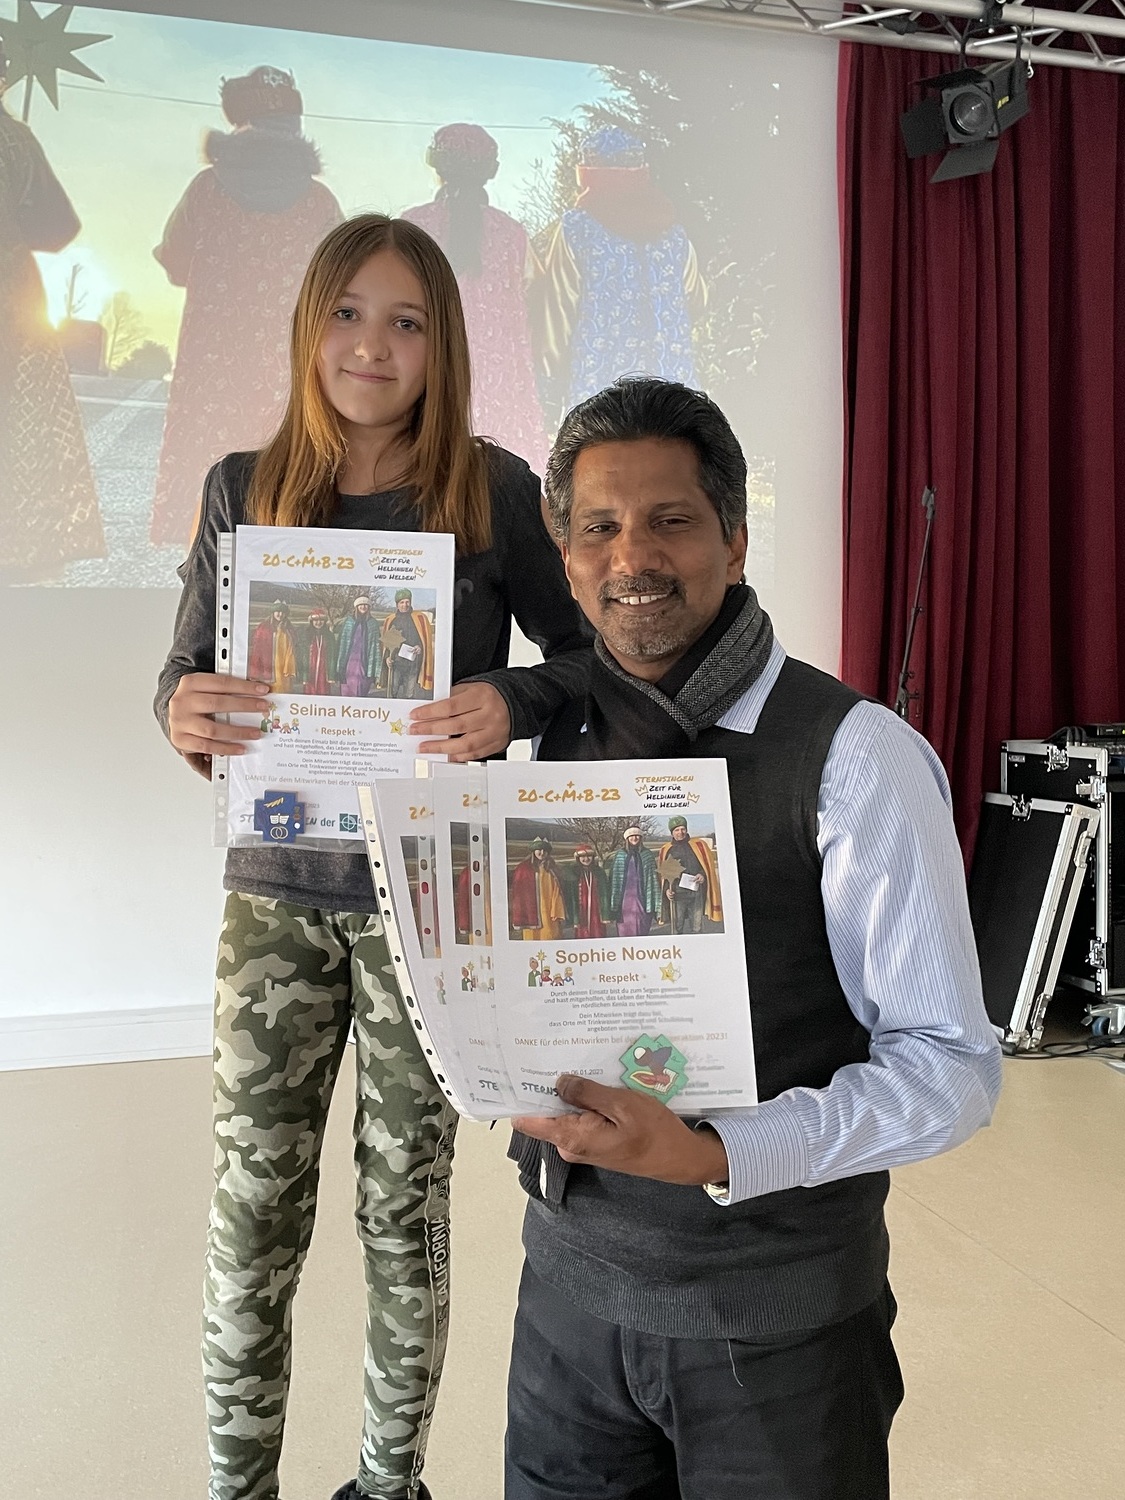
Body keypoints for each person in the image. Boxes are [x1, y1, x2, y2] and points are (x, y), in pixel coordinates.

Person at [155, 212, 591, 1500]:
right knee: (253, 1216)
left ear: (443, 342)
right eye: (348, 313)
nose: (372, 345)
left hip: (428, 900)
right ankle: (237, 1485)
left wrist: (509, 700)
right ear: (310, 325)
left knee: (405, 1210)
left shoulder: (493, 490)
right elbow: (182, 672)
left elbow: (586, 662)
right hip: (276, 897)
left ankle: (388, 1485)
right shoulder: (243, 487)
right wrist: (181, 710)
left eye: (407, 321)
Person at [506, 377, 1002, 1500]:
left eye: (669, 520)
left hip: (775, 1326)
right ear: (567, 559)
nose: (632, 557)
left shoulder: (856, 758)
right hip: (567, 1299)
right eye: (598, 528)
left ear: (733, 538)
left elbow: (951, 1070)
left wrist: (722, 1155)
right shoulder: (558, 737)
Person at [149, 66, 342, 546]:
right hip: (288, 367)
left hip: (210, 366)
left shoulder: (206, 188)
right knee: (287, 474)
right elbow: (342, 287)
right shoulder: (319, 203)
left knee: (205, 480)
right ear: (295, 126)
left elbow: (174, 262)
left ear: (239, 120)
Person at [0, 39, 105, 582]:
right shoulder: (14, 137)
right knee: (17, 419)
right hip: (11, 291)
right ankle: (20, 549)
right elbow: (60, 225)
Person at [530, 127, 707, 424]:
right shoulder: (673, 233)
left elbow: (559, 311)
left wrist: (550, 374)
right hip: (672, 389)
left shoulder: (576, 229)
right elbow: (697, 300)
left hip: (600, 390)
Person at [402, 123, 548, 475]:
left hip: (428, 373)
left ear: (437, 167)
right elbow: (530, 306)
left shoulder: (411, 225)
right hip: (501, 382)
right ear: (488, 171)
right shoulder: (512, 233)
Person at [658, 815, 722, 934]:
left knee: (697, 927)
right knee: (677, 928)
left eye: (683, 829)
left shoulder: (699, 845)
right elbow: (664, 875)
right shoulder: (667, 849)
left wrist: (702, 875)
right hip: (677, 892)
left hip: (695, 891)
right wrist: (666, 890)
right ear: (672, 833)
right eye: (676, 830)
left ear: (686, 830)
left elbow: (706, 866)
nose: (680, 832)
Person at [379, 587, 435, 699]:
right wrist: (387, 658)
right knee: (393, 692)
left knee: (409, 694)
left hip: (412, 663)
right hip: (396, 662)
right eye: (402, 602)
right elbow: (387, 645)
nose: (405, 605)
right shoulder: (391, 620)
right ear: (397, 604)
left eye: (407, 602)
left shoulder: (419, 618)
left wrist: (419, 647)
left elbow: (423, 640)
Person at [509, 836, 567, 942]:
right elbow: (519, 894)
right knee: (532, 939)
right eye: (539, 850)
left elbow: (558, 890)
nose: (542, 852)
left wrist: (556, 909)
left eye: (545, 850)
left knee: (550, 936)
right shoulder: (523, 869)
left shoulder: (552, 867)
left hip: (549, 911)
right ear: (533, 851)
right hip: (530, 911)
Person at [606, 826, 661, 937]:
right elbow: (614, 878)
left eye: (637, 835)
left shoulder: (647, 854)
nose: (634, 838)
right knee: (625, 928)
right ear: (627, 838)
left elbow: (653, 878)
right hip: (625, 899)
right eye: (631, 836)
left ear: (641, 838)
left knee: (642, 926)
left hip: (643, 897)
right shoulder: (620, 855)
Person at [248, 599, 298, 692]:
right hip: (269, 666)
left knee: (284, 689)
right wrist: (255, 672)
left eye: (283, 612)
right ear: (273, 612)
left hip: (285, 667)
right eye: (278, 611)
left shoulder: (289, 628)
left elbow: (294, 647)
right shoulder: (264, 628)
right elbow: (257, 649)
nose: (280, 614)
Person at [335, 594, 378, 697]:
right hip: (350, 658)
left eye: (365, 605)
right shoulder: (348, 621)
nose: (363, 607)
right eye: (360, 605)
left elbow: (375, 645)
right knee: (348, 682)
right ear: (356, 607)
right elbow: (342, 640)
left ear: (369, 607)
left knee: (362, 683)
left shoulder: (373, 623)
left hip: (364, 658)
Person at [565, 843, 608, 940]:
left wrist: (605, 913)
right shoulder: (574, 873)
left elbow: (605, 893)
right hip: (582, 909)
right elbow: (571, 896)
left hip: (596, 909)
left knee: (598, 932)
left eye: (589, 856)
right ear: (578, 858)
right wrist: (574, 917)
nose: (586, 859)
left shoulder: (599, 872)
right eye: (583, 857)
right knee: (582, 933)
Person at [299, 605, 335, 694]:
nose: (318, 623)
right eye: (316, 620)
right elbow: (302, 655)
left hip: (324, 670)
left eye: (321, 620)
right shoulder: (306, 635)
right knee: (309, 692)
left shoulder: (329, 636)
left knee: (323, 692)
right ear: (311, 621)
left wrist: (331, 674)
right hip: (310, 669)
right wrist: (304, 674)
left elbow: (332, 655)